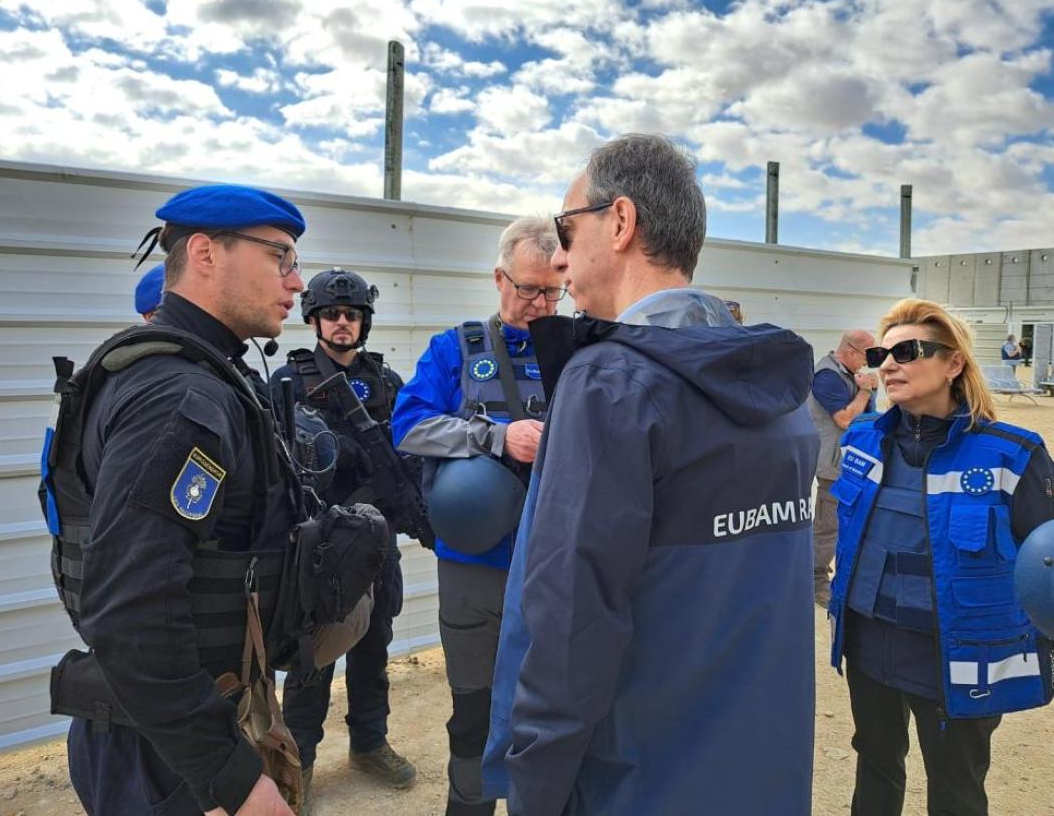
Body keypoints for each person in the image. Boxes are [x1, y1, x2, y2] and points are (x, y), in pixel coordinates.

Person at [483, 133, 819, 815]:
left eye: (564, 230)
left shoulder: (613, 384)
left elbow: (570, 618)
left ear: (620, 222)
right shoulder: (775, 389)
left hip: (634, 778)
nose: (557, 257)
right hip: (761, 771)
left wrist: (534, 787)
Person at [42, 184, 309, 815]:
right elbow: (132, 611)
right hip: (165, 749)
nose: (297, 282)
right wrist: (229, 778)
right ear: (206, 253)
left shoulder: (202, 372)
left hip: (175, 722)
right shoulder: (179, 397)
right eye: (281, 256)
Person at [827, 298, 1054, 816]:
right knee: (876, 767)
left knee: (956, 787)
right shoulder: (862, 439)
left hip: (958, 656)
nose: (888, 364)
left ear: (953, 364)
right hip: (869, 643)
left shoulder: (1012, 454)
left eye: (908, 351)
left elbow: (1046, 560)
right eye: (883, 353)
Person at [392, 217, 564, 816]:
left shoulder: (582, 350)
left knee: (551, 710)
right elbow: (408, 426)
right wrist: (494, 435)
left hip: (555, 562)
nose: (540, 304)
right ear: (499, 278)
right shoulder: (456, 348)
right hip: (474, 567)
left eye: (553, 291)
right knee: (473, 710)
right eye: (527, 290)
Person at [268, 268, 414, 811]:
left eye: (352, 315)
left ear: (365, 322)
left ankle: (370, 743)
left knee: (374, 645)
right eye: (332, 314)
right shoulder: (288, 380)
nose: (342, 323)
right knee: (315, 655)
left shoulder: (388, 381)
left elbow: (410, 448)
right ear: (314, 319)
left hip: (378, 538)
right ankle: (298, 760)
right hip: (321, 543)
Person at [807, 330, 879, 606]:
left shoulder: (848, 374)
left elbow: (868, 417)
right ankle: (815, 583)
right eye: (867, 355)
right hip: (832, 466)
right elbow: (846, 420)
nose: (869, 362)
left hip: (853, 462)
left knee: (848, 523)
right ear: (850, 351)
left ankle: (837, 577)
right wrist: (864, 390)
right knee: (827, 526)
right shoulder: (826, 376)